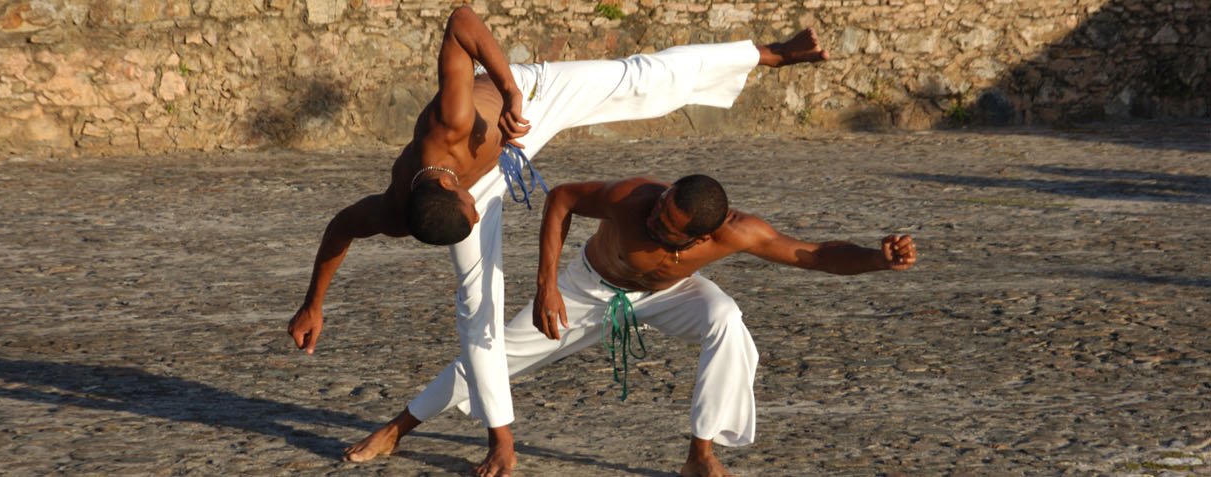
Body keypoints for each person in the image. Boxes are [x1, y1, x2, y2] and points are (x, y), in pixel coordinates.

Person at [285, 6, 829, 476]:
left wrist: (509, 87)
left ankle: (768, 54)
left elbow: (461, 19)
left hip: (530, 102)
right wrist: (314, 303)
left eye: (471, 217)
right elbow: (340, 228)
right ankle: (500, 438)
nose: (479, 221)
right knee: (477, 306)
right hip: (489, 174)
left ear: (454, 191)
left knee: (636, 76)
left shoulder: (451, 120)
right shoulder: (395, 210)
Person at [344, 175, 918, 477]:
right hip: (587, 289)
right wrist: (546, 284)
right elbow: (564, 198)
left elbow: (814, 254)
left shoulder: (738, 232)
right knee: (487, 352)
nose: (652, 218)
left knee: (727, 318)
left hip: (669, 295)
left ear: (699, 237)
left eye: (666, 224)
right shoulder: (631, 197)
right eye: (658, 207)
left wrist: (877, 257)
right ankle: (398, 428)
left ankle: (700, 453)